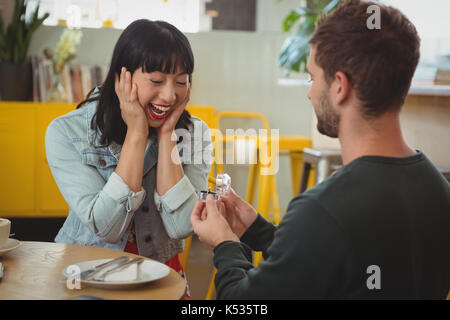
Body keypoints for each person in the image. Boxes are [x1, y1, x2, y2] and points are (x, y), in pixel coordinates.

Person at [191, 0, 450, 299]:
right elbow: (334, 259)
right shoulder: (438, 192)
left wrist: (225, 245)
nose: (309, 91)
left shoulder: (322, 211)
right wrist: (258, 230)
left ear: (339, 86)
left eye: (313, 77)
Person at [45, 20, 212, 283]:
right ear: (122, 77)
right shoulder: (67, 132)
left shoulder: (195, 134)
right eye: (156, 80)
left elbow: (182, 226)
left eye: (180, 82)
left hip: (160, 273)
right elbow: (107, 227)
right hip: (85, 272)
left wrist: (168, 134)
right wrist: (137, 133)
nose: (169, 96)